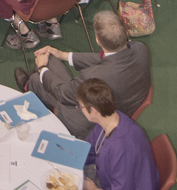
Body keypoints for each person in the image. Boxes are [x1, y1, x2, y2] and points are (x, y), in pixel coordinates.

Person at [20, 10, 152, 140]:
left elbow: (62, 93)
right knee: (51, 59)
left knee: (38, 79)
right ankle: (38, 80)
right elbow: (108, 59)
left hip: (88, 124)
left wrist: (42, 68)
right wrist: (62, 55)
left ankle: (30, 85)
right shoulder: (140, 48)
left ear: (98, 41)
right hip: (122, 104)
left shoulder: (93, 77)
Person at [76, 79, 158, 190]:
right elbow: (90, 148)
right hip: (110, 180)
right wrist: (71, 158)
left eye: (80, 106)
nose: (79, 109)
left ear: (93, 110)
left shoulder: (121, 147)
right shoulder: (109, 118)